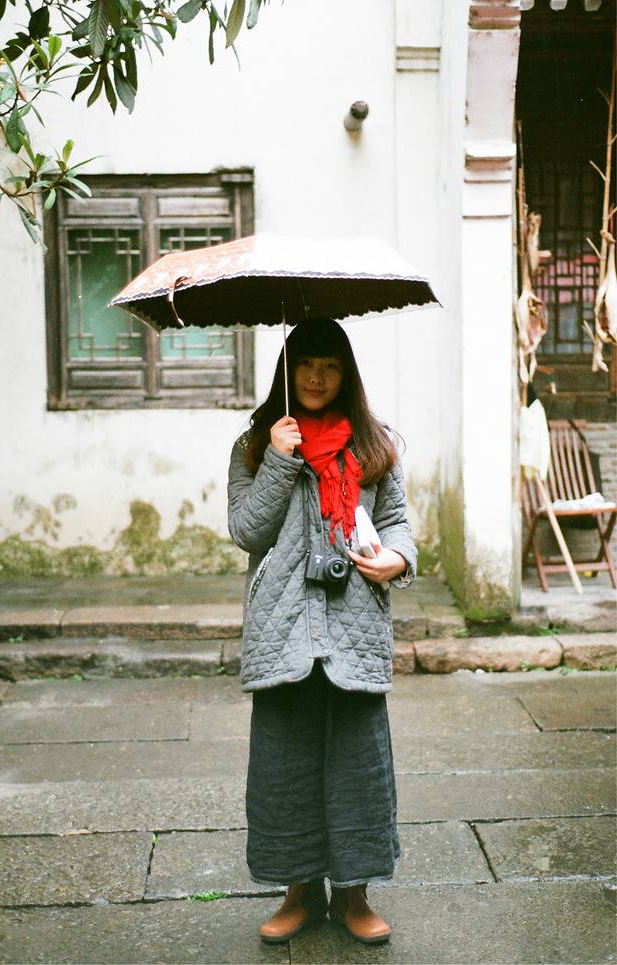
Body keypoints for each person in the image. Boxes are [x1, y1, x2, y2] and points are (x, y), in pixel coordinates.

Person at [227, 318, 417, 946]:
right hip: (282, 627)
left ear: (346, 374)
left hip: (353, 625)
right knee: (285, 767)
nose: (316, 377)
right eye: (305, 364)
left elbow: (396, 521)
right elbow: (247, 532)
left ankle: (355, 894)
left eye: (330, 366)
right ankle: (299, 892)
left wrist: (398, 558)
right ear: (287, 370)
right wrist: (279, 461)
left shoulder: (373, 445)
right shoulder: (256, 444)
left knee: (359, 767)